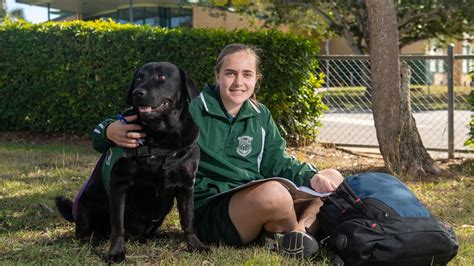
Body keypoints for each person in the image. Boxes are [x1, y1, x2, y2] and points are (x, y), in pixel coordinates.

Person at [91, 43, 344, 259]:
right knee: (275, 196)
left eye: (247, 74)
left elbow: (277, 162)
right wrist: (108, 131)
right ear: (218, 75)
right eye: (230, 73)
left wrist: (315, 175)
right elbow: (123, 124)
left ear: (257, 79)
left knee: (328, 191)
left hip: (251, 198)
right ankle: (295, 235)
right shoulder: (189, 109)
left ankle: (294, 236)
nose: (238, 82)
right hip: (209, 209)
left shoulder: (260, 115)